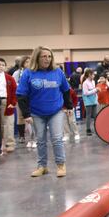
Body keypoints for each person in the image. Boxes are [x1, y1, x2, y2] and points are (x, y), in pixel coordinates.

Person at [17, 46, 74, 177]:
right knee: (40, 140)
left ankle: (61, 165)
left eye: (49, 56)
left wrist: (69, 106)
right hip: (36, 113)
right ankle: (42, 166)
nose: (47, 59)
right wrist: (26, 114)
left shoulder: (58, 72)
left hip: (56, 111)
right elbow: (21, 95)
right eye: (44, 56)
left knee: (56, 138)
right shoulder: (28, 73)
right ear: (37, 58)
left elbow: (66, 90)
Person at [12, 56, 31, 144]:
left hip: (32, 97)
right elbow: (14, 85)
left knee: (34, 115)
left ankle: (34, 136)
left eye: (30, 61)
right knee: (20, 117)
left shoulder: (35, 72)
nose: (28, 63)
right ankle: (21, 136)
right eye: (26, 62)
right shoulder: (17, 73)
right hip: (21, 97)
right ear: (22, 63)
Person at [81, 69, 98, 136]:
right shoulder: (85, 83)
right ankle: (88, 129)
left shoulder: (93, 81)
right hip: (88, 102)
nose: (94, 75)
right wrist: (95, 90)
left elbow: (94, 91)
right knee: (88, 116)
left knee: (95, 115)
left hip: (94, 101)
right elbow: (85, 93)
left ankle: (96, 128)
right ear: (89, 75)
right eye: (93, 74)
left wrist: (96, 96)